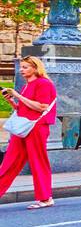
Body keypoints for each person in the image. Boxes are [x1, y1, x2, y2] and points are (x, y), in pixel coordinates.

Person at [0, 56, 59, 209]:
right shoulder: (28, 85)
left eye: (25, 67)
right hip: (24, 128)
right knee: (9, 161)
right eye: (21, 67)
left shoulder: (44, 83)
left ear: (35, 68)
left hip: (37, 128)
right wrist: (11, 101)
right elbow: (23, 109)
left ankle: (45, 198)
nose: (21, 70)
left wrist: (18, 95)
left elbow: (41, 107)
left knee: (38, 162)